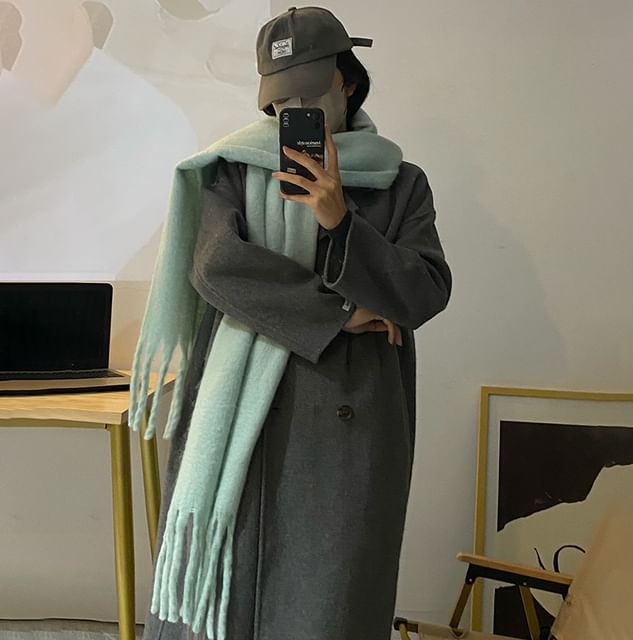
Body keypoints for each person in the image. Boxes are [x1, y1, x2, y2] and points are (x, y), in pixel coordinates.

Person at [142, 6, 452, 640]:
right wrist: (342, 310)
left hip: (349, 418)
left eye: (310, 94)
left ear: (348, 84)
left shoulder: (401, 183)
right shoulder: (232, 168)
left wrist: (339, 218)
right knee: (227, 596)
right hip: (238, 416)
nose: (296, 111)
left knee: (330, 598)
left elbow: (423, 291)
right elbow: (217, 267)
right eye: (283, 100)